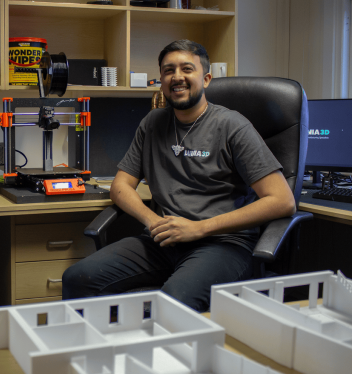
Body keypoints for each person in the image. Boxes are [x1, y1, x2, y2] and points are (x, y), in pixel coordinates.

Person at [62, 39, 296, 312]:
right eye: (168, 70)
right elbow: (120, 186)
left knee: (172, 303)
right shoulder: (153, 123)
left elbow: (282, 200)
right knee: (78, 278)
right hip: (163, 241)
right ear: (161, 79)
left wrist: (199, 228)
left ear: (206, 79)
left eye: (187, 69)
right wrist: (151, 221)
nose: (177, 77)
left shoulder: (232, 126)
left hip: (221, 243)